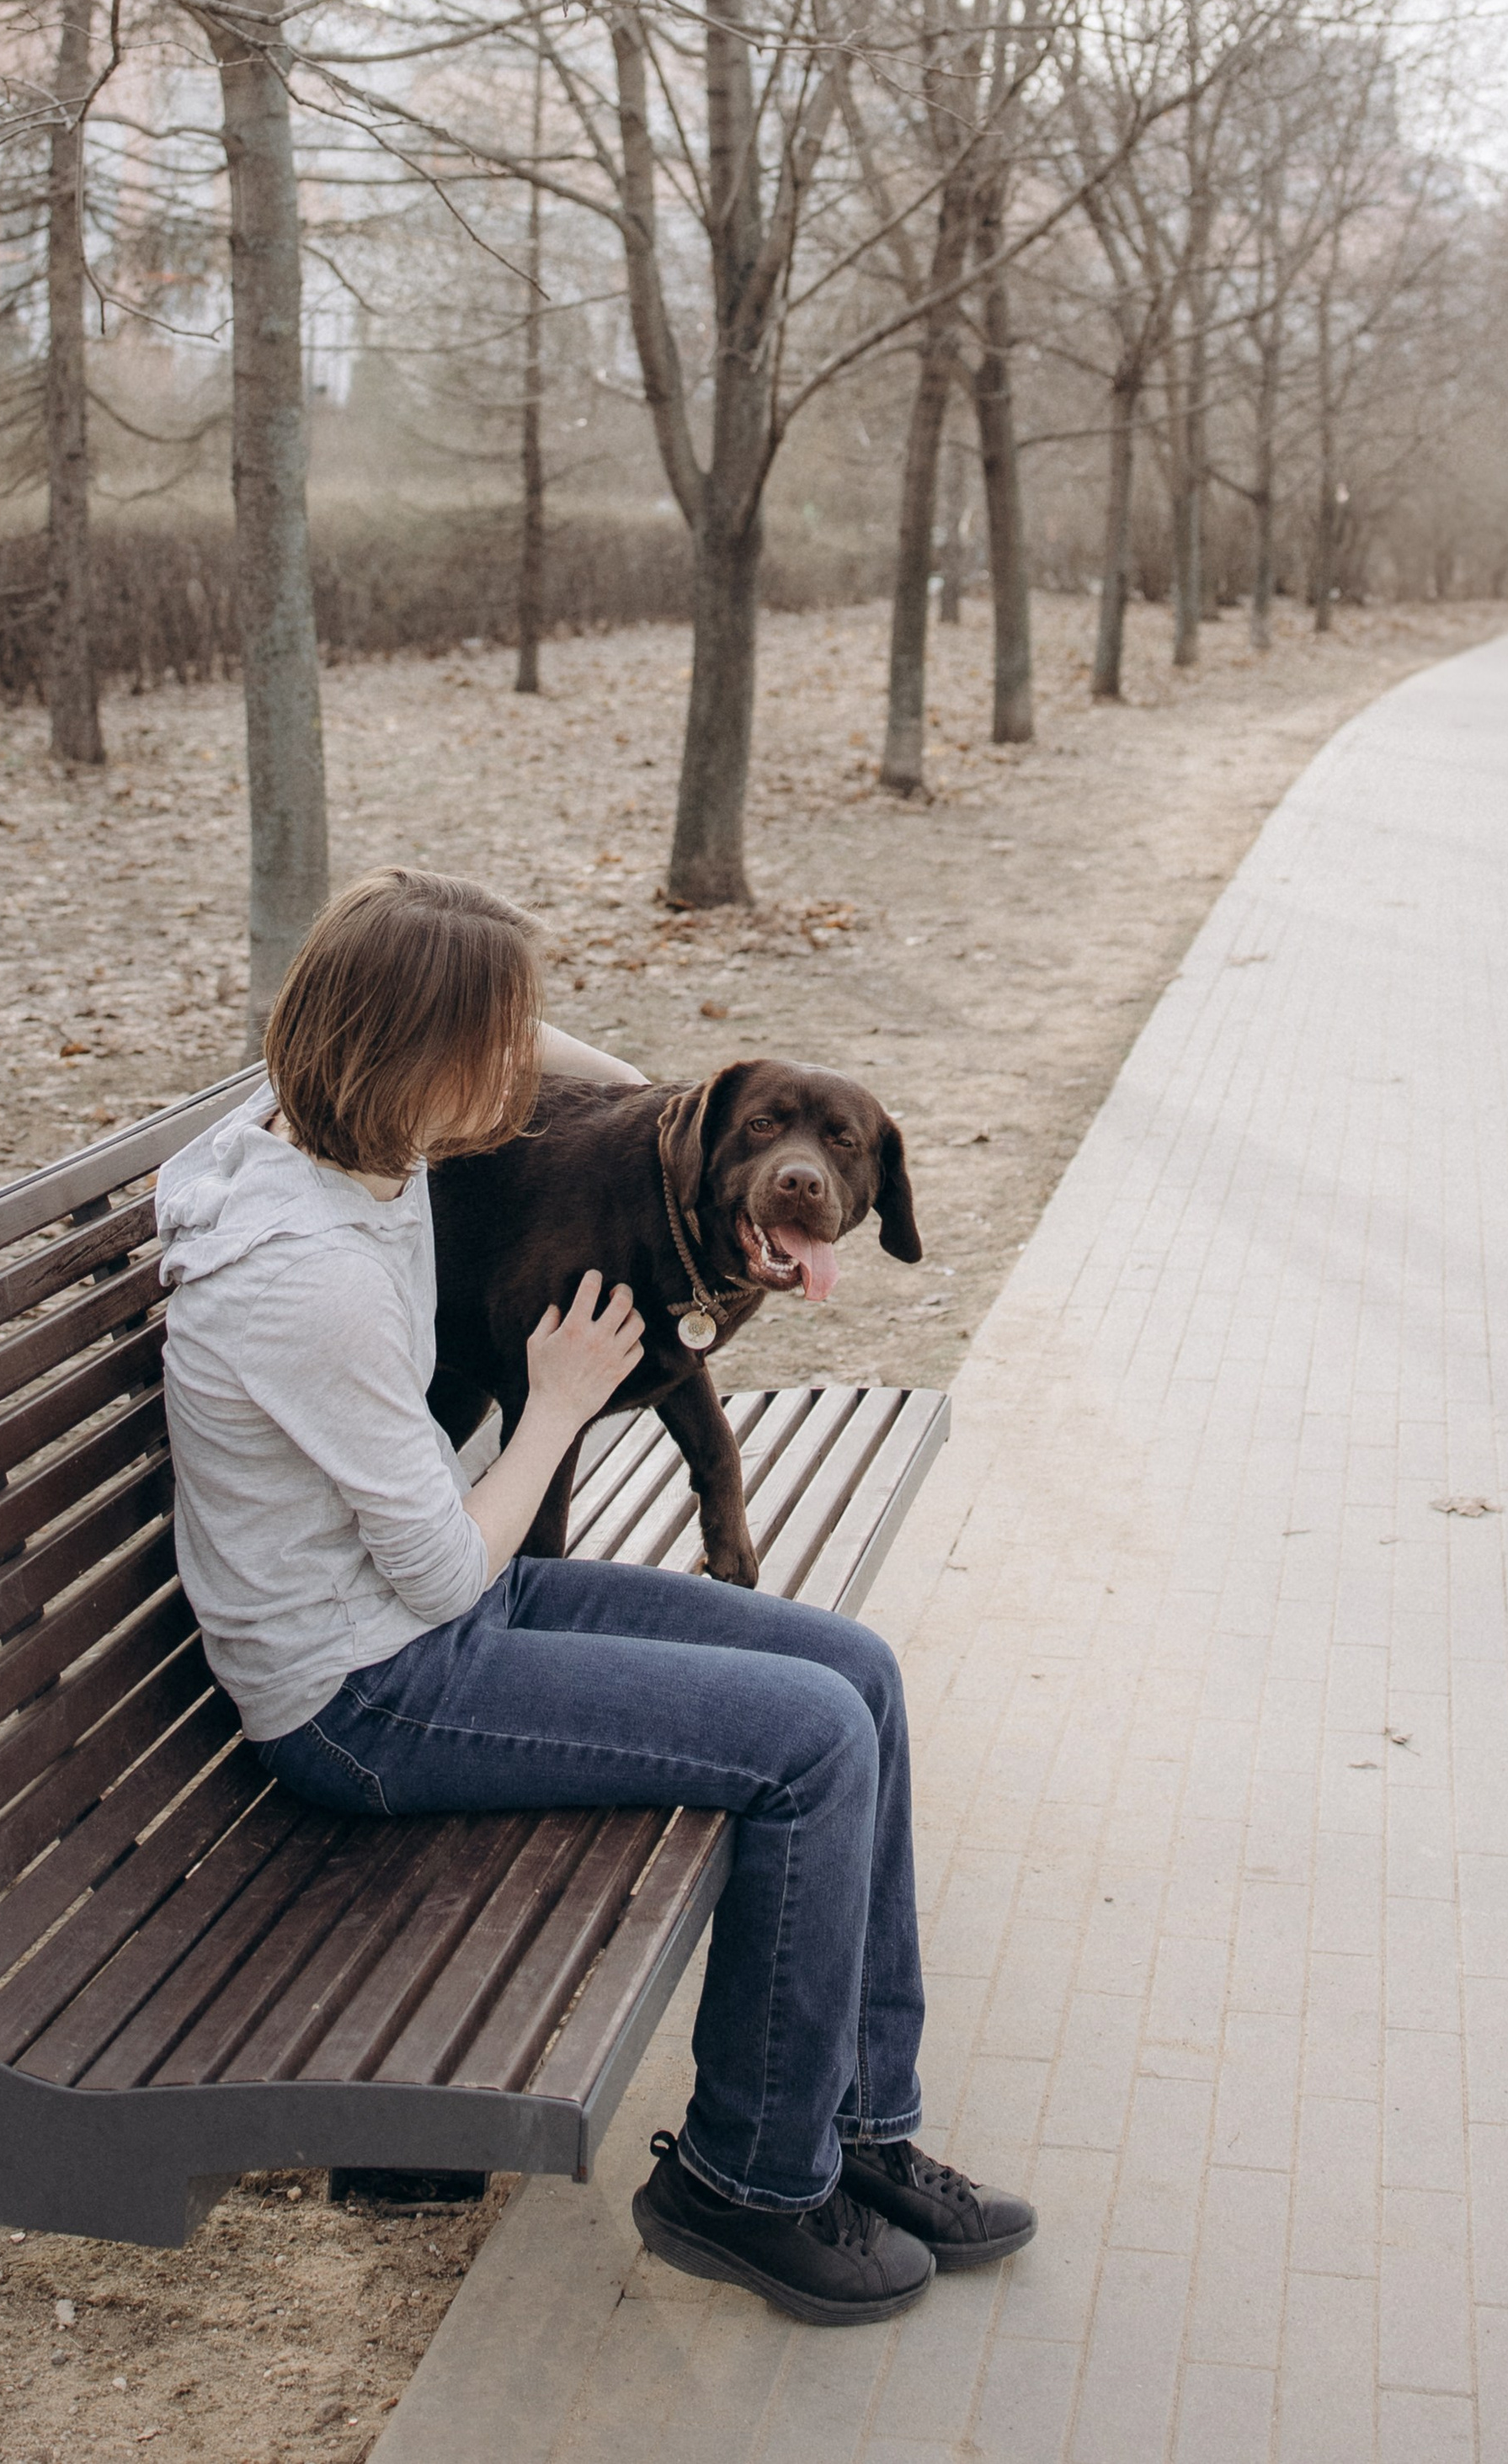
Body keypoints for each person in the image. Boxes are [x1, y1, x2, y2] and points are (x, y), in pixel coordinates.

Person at [157, 865, 1033, 2327]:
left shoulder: (313, 1132)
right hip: (365, 1693)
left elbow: (513, 1054)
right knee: (810, 1746)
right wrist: (559, 1406)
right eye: (501, 1041)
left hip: (430, 1617)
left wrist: (665, 1098)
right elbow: (441, 1568)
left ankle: (863, 2126)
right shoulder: (302, 1277)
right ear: (414, 1058)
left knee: (856, 1672)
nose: (530, 1065)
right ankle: (749, 2185)